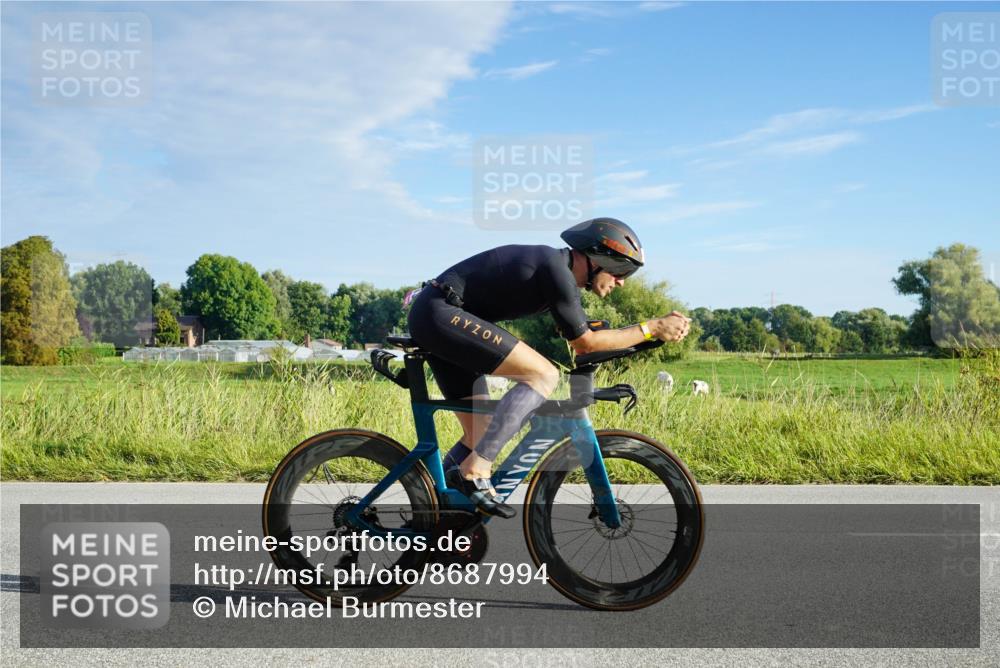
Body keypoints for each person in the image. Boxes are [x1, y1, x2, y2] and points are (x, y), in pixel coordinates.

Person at [406, 217, 691, 518]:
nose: (621, 281)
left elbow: (586, 337)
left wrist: (648, 335)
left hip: (439, 316)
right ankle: (476, 469)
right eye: (621, 270)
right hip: (440, 314)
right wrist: (654, 327)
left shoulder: (557, 272)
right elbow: (586, 344)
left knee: (480, 433)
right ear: (596, 257)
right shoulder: (555, 268)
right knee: (543, 374)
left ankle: (435, 517)